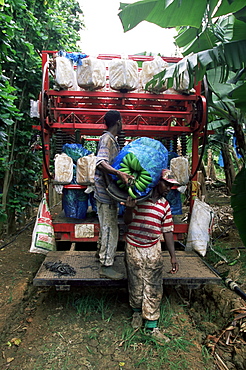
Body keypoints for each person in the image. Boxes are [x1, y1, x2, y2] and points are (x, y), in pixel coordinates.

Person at [123, 169, 179, 340]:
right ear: (157, 182)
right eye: (166, 184)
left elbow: (167, 231)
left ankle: (151, 325)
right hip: (133, 246)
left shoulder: (165, 205)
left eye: (171, 185)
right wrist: (130, 209)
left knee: (153, 286)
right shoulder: (139, 200)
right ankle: (136, 312)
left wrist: (173, 256)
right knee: (135, 282)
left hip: (153, 247)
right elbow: (126, 221)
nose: (169, 188)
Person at [94, 110, 133, 280]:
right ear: (118, 122)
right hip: (105, 193)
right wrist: (118, 174)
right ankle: (106, 265)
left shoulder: (111, 140)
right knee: (110, 227)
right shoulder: (107, 140)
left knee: (105, 224)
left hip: (105, 192)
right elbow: (100, 162)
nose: (123, 123)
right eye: (122, 120)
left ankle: (101, 253)